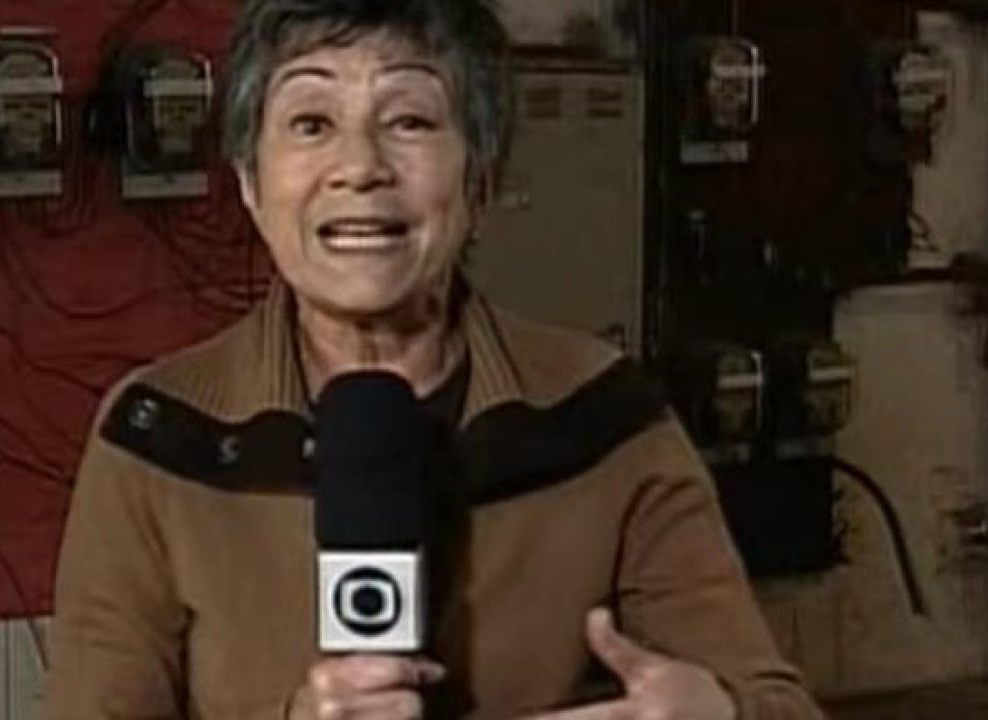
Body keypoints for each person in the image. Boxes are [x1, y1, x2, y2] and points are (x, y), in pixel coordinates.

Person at [43, 1, 826, 718]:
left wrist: (720, 712)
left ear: (481, 180)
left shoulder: (607, 420)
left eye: (409, 121)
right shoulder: (159, 437)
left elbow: (778, 704)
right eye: (311, 124)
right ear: (250, 181)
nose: (360, 167)